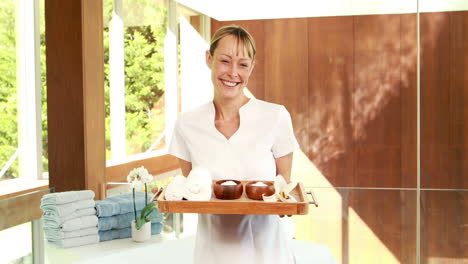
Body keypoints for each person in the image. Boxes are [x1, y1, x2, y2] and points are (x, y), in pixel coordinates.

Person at [169, 24, 299, 264]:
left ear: (252, 68)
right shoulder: (187, 125)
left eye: (243, 64)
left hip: (268, 253)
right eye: (225, 61)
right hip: (213, 254)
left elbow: (283, 190)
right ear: (209, 59)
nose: (233, 73)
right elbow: (191, 193)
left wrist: (283, 205)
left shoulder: (276, 116)